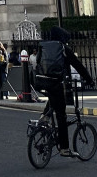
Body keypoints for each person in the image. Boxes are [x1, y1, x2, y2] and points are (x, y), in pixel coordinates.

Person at [37, 27, 93, 157]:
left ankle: (44, 117)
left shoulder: (44, 47)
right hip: (57, 83)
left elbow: (38, 62)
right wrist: (89, 80)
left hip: (43, 81)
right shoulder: (63, 49)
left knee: (52, 101)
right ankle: (64, 148)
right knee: (61, 116)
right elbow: (78, 66)